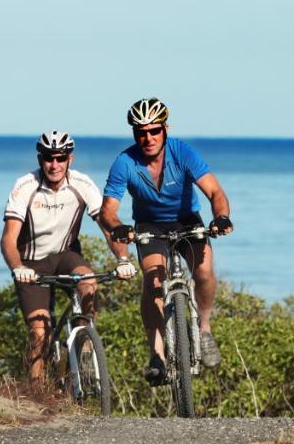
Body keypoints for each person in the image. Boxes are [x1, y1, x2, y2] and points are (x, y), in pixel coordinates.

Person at [100, 98, 234, 386]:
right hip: (149, 226)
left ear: (165, 129)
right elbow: (108, 210)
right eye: (141, 132)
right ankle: (157, 354)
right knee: (153, 281)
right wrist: (118, 227)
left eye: (154, 131)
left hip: (187, 220)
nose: (147, 138)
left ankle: (206, 329)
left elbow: (215, 192)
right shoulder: (125, 162)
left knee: (204, 272)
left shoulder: (182, 152)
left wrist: (221, 217)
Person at [1, 130, 137, 382]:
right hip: (31, 263)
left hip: (66, 255)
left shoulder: (82, 184)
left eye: (60, 158)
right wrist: (18, 266)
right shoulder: (25, 186)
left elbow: (108, 228)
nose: (54, 165)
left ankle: (84, 344)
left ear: (69, 159)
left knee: (88, 282)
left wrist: (123, 259)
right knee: (40, 332)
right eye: (49, 158)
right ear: (40, 158)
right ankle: (36, 394)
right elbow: (8, 238)